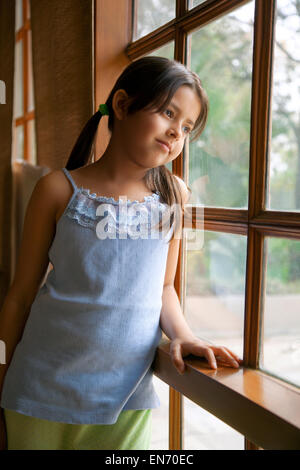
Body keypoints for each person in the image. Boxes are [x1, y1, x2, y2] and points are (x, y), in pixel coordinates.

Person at [0, 56, 242, 450]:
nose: (175, 133)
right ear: (123, 105)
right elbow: (20, 296)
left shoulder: (175, 196)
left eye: (186, 127)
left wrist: (183, 335)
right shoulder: (57, 190)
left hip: (125, 400)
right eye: (168, 112)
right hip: (37, 391)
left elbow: (164, 287)